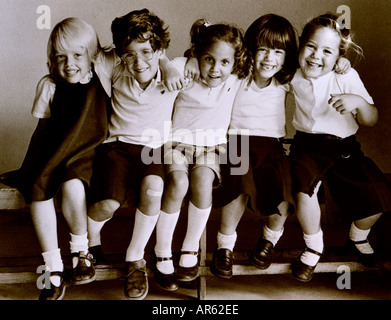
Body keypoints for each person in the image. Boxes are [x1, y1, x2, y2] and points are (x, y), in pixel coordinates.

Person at [0, 18, 110, 300]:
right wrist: (30, 166)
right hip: (55, 151)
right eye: (60, 57)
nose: (69, 63)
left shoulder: (103, 75)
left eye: (77, 55)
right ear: (51, 60)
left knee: (74, 185)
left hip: (89, 153)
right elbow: (43, 131)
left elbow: (123, 49)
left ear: (92, 56)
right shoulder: (49, 86)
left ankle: (80, 252)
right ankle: (52, 268)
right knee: (38, 187)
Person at [86, 9, 186, 300]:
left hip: (153, 149)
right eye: (129, 54)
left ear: (159, 49)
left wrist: (166, 62)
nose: (139, 61)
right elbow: (93, 51)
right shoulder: (115, 70)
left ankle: (136, 259)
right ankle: (90, 243)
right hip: (116, 147)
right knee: (106, 204)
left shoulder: (173, 75)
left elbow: (198, 51)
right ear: (120, 55)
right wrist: (156, 57)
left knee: (155, 188)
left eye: (146, 52)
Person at [289, 13, 391, 282]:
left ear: (337, 57)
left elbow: (371, 118)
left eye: (326, 51)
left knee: (380, 195)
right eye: (310, 46)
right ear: (300, 46)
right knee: (303, 192)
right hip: (307, 146)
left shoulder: (345, 75)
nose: (315, 56)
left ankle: (357, 237)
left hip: (345, 147)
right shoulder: (293, 74)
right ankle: (313, 246)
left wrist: (357, 101)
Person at [209, 14, 298, 279]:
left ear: (286, 56)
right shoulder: (237, 77)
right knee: (237, 188)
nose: (269, 58)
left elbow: (317, 70)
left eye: (278, 51)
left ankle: (269, 239)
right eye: (262, 49)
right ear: (249, 50)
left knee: (282, 195)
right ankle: (224, 246)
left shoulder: (285, 82)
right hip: (236, 141)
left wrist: (338, 62)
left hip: (271, 146)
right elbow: (208, 60)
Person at [160, 19, 249, 283]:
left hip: (211, 146)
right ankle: (162, 250)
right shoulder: (184, 69)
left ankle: (190, 248)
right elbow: (157, 57)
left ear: (234, 64)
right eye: (209, 59)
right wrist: (182, 61)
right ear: (199, 54)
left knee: (202, 180)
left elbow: (275, 66)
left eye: (224, 62)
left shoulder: (235, 79)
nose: (215, 69)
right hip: (176, 142)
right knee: (178, 182)